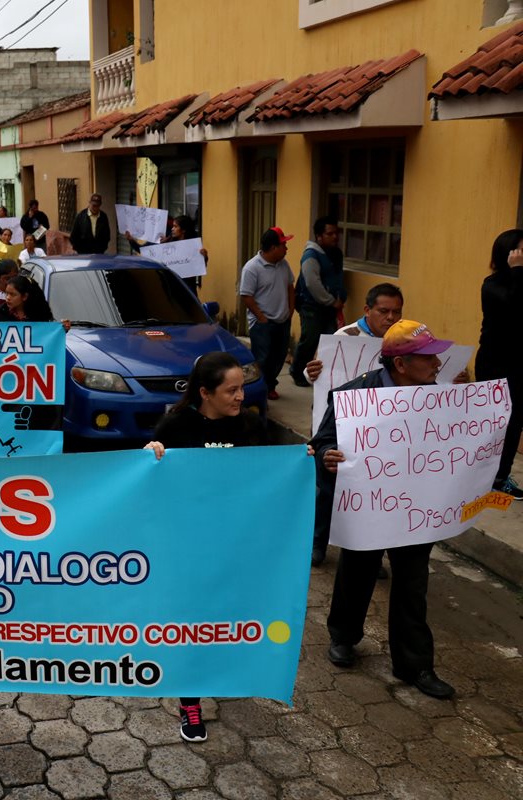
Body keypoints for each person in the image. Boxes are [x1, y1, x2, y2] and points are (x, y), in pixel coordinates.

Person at [312, 320, 457, 700]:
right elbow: (323, 440)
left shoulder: (439, 397)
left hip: (415, 509)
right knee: (357, 571)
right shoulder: (354, 395)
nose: (437, 363)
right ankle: (344, 637)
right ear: (401, 365)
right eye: (428, 357)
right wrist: (328, 456)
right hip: (369, 506)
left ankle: (415, 665)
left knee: (412, 583)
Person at [144, 352, 269, 741]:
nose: (239, 397)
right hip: (187, 547)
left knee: (227, 615)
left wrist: (301, 463)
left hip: (234, 543)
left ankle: (228, 672)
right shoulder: (176, 425)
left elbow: (267, 474)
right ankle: (190, 700)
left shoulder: (249, 424)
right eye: (230, 390)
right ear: (204, 393)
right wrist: (150, 455)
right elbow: (146, 482)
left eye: (242, 388)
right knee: (191, 622)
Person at [476, 229, 523, 499]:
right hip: (495, 364)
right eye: (521, 251)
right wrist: (517, 272)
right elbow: (514, 309)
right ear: (508, 254)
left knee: (515, 422)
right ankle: (482, 475)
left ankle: (500, 476)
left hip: (519, 366)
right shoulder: (491, 285)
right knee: (492, 423)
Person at [239, 227, 295, 400]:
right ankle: (258, 391)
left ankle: (270, 385)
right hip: (263, 323)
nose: (286, 249)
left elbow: (289, 287)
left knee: (278, 358)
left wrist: (290, 311)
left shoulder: (284, 264)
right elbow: (246, 296)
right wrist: (261, 317)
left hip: (282, 320)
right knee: (262, 359)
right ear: (273, 248)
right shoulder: (252, 268)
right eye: (283, 245)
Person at [289, 217, 344, 386]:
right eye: (330, 233)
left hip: (329, 308)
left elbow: (337, 277)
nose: (335, 236)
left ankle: (325, 376)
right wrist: (331, 301)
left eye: (336, 233)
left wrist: (340, 297)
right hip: (312, 306)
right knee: (310, 340)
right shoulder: (311, 256)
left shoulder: (334, 253)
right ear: (319, 236)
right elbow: (313, 283)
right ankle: (298, 372)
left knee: (331, 341)